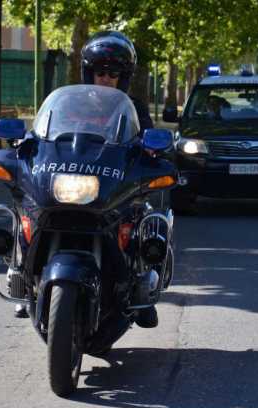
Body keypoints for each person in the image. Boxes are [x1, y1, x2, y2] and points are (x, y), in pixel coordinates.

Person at [15, 31, 160, 329]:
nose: (106, 78)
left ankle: (144, 287)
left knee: (146, 220)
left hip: (110, 183)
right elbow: (42, 133)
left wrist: (153, 150)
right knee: (28, 212)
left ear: (125, 76)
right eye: (100, 72)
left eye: (114, 73)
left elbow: (147, 139)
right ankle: (23, 279)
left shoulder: (133, 109)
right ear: (88, 72)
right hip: (68, 179)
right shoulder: (69, 104)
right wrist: (26, 143)